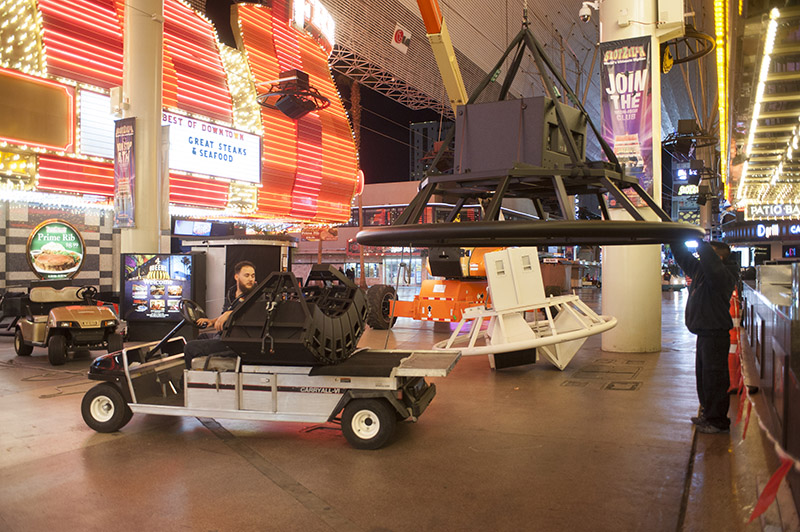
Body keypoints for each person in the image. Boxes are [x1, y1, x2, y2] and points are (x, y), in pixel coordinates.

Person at [671, 240, 737, 434]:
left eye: (707, 253)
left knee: (715, 378)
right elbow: (684, 257)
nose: (701, 256)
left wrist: (699, 240)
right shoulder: (701, 272)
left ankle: (717, 421)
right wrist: (674, 237)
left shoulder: (723, 276)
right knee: (704, 377)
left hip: (715, 334)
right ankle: (708, 413)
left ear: (719, 258)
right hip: (705, 333)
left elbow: (711, 264)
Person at [183, 261, 257, 369]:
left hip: (234, 342)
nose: (251, 279)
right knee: (202, 337)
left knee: (189, 348)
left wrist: (229, 313)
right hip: (223, 334)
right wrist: (212, 321)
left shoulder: (256, 296)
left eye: (253, 276)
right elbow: (224, 317)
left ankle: (186, 381)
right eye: (247, 275)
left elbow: (249, 313)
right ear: (237, 277)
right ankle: (204, 371)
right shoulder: (231, 293)